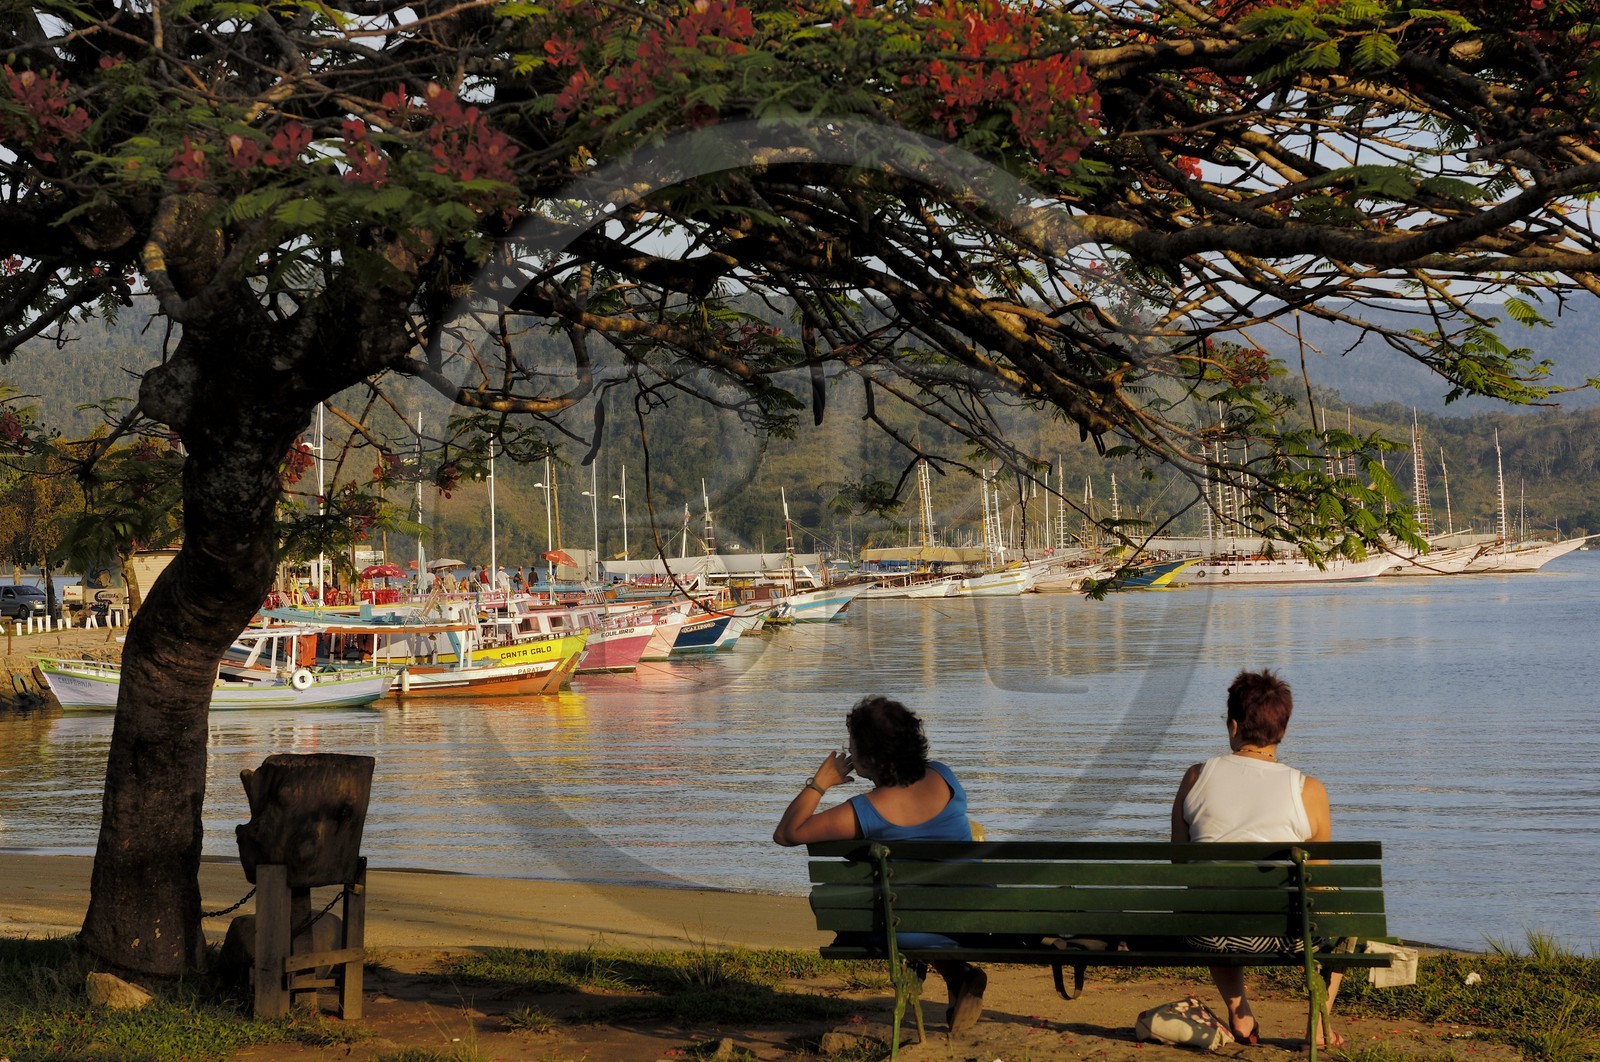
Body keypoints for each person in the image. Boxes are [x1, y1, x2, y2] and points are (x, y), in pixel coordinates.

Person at [773, 695, 987, 1035]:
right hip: (973, 914)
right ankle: (955, 975)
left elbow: (787, 833)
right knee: (899, 902)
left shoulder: (866, 810)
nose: (849, 750)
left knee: (852, 909)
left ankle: (950, 970)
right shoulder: (944, 776)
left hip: (909, 923)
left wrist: (820, 782)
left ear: (870, 756)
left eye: (853, 745)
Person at [1170, 669, 1343, 1048]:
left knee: (1212, 896)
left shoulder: (1195, 777)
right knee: (1343, 906)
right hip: (1283, 936)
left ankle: (1239, 1010)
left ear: (1233, 726)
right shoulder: (1309, 790)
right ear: (1283, 730)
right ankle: (1318, 1024)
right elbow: (1317, 881)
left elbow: (1181, 865)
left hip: (1207, 933)